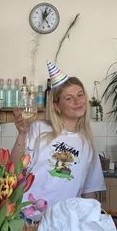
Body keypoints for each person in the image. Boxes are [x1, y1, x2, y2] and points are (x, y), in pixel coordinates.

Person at [10, 62, 106, 207]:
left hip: (64, 220)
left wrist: (90, 220)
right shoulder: (39, 129)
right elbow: (13, 169)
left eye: (80, 95)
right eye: (69, 98)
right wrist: (22, 134)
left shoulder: (87, 143)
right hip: (30, 217)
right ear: (56, 107)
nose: (77, 101)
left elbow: (89, 191)